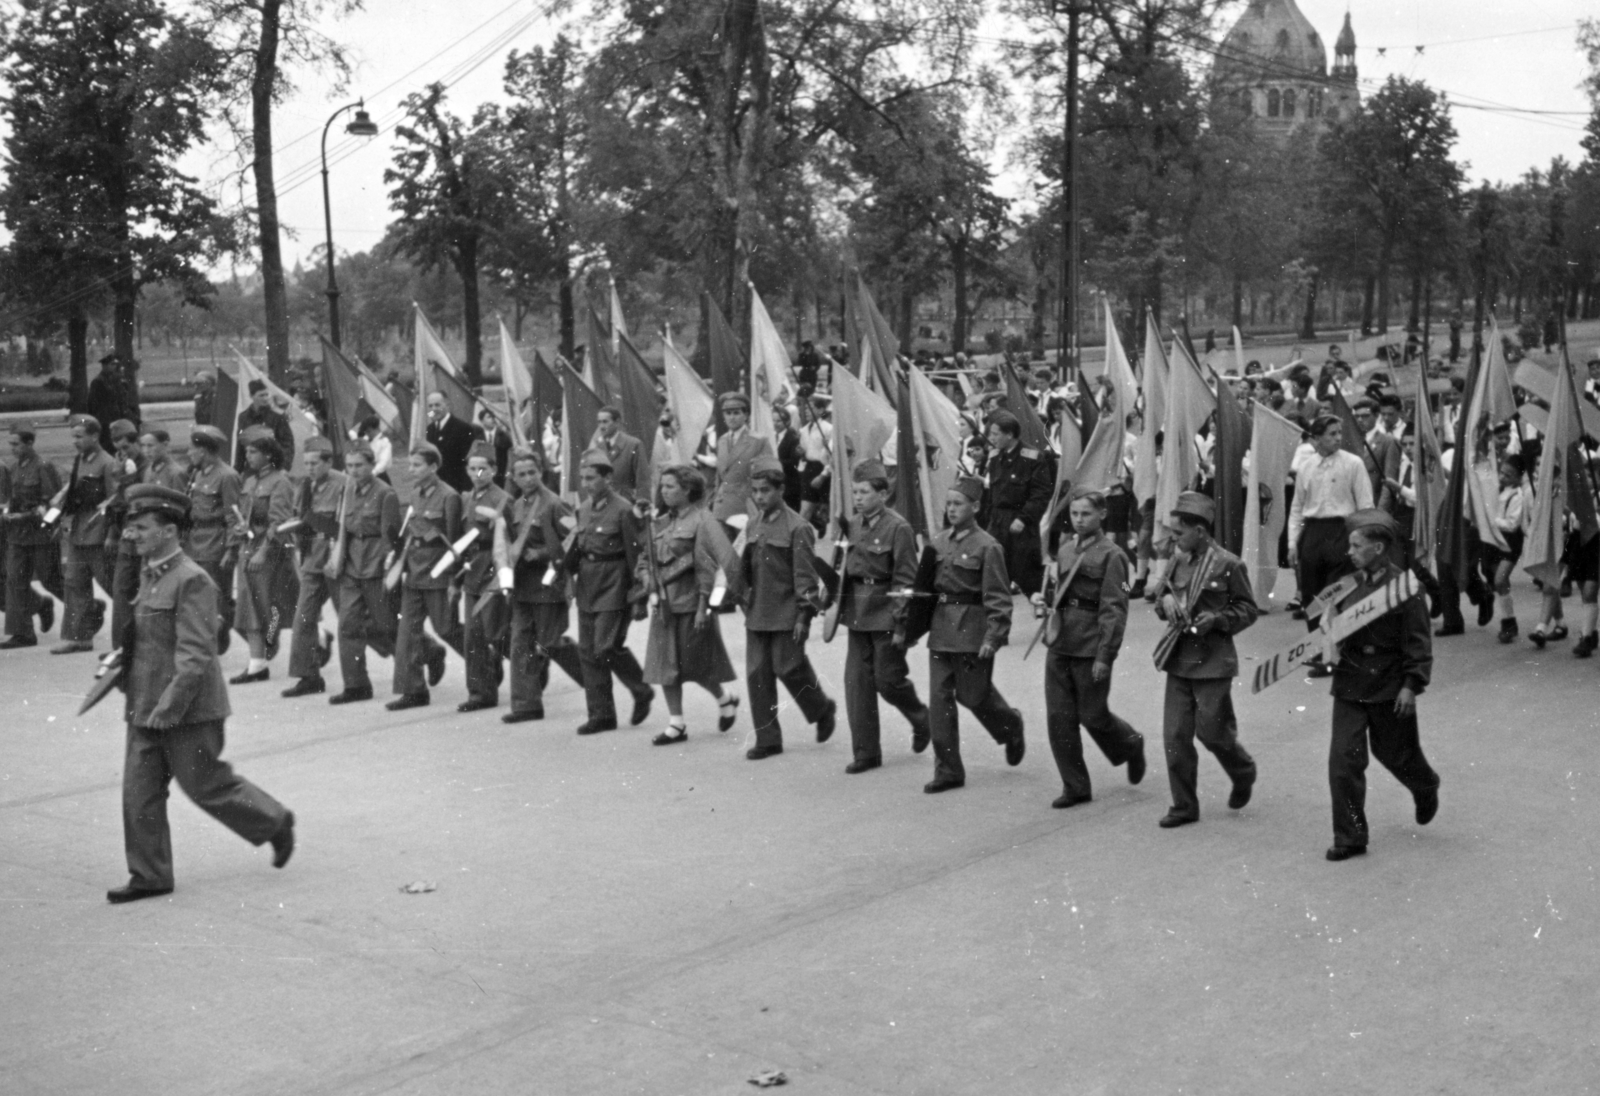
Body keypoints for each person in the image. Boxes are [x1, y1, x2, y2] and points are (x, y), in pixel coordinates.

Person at [108, 484, 295, 904]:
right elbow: (149, 638)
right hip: (144, 705)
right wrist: (119, 663)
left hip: (188, 710)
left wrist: (167, 709)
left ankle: (274, 822)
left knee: (206, 786)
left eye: (140, 527)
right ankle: (149, 875)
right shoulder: (152, 570)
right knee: (138, 793)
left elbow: (194, 657)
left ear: (169, 531)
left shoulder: (192, 580)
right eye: (130, 527)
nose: (130, 535)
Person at [1322, 509, 1439, 861]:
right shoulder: (1347, 584)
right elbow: (1330, 628)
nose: (1350, 552)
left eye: (1357, 546)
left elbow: (1418, 641)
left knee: (1395, 754)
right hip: (1351, 680)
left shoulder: (1405, 588)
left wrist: (1411, 684)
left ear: (1377, 548)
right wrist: (1325, 650)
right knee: (1343, 762)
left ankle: (1424, 784)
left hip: (1389, 681)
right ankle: (1350, 836)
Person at [1151, 491, 1259, 828]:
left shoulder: (1228, 564)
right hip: (1180, 658)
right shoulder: (1178, 560)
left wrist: (1218, 619)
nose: (1174, 538)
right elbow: (1162, 597)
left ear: (1200, 530)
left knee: (1213, 733)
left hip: (1213, 660)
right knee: (1175, 736)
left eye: (1179, 532)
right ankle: (1184, 805)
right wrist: (1165, 603)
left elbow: (1248, 610)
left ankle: (1243, 771)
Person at [1034, 486, 1146, 808]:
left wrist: (1105, 655)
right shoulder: (1066, 549)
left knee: (1093, 716)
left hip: (1090, 645)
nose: (1079, 520)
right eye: (1074, 514)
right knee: (1059, 718)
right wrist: (1045, 602)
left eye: (1086, 513)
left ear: (1102, 514)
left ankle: (1131, 744)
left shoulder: (1115, 556)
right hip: (1061, 642)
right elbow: (1061, 592)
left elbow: (1116, 607)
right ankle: (1075, 786)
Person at [923, 477, 1024, 793]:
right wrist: (907, 626)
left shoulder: (988, 546)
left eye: (958, 504)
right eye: (949, 503)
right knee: (939, 701)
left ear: (976, 507)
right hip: (940, 631)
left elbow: (998, 596)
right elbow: (924, 591)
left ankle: (1010, 726)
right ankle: (948, 770)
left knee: (973, 696)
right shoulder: (937, 543)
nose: (951, 509)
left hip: (971, 630)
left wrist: (994, 636)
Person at [739, 456, 837, 759]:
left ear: (781, 490)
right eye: (755, 491)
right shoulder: (753, 522)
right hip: (758, 611)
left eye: (765, 490)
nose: (759, 497)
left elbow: (805, 576)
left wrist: (804, 616)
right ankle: (767, 739)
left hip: (787, 611)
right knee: (758, 674)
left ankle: (821, 708)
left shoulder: (799, 527)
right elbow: (744, 567)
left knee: (789, 668)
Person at [636, 465, 741, 744]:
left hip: (690, 604)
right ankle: (677, 724)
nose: (664, 491)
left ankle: (724, 698)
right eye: (663, 486)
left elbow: (708, 566)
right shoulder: (660, 522)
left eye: (670, 486)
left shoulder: (702, 520)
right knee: (665, 666)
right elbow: (645, 560)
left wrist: (703, 606)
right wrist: (648, 580)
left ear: (687, 490)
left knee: (696, 666)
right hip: (664, 606)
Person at [837, 460, 929, 773]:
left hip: (886, 613)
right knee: (857, 684)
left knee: (888, 681)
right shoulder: (854, 524)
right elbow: (846, 570)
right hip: (857, 612)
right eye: (855, 492)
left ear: (883, 493)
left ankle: (921, 718)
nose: (858, 498)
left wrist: (904, 624)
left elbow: (906, 580)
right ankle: (866, 753)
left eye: (864, 492)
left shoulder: (898, 527)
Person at [569, 450, 653, 734]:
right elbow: (576, 549)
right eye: (582, 478)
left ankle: (641, 688)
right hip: (588, 584)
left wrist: (639, 598)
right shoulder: (582, 508)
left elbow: (635, 555)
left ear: (608, 478)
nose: (586, 483)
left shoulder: (623, 509)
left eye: (591, 478)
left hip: (615, 583)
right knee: (587, 652)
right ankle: (601, 714)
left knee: (605, 646)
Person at [501, 448, 584, 723]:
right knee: (520, 643)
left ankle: (594, 679)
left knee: (552, 642)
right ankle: (526, 706)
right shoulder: (516, 504)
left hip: (549, 583)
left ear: (541, 472)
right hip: (524, 585)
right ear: (513, 477)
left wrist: (543, 553)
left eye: (532, 472)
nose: (527, 478)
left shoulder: (555, 503)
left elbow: (575, 538)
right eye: (521, 474)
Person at [1289, 415, 1373, 675]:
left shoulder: (1353, 463)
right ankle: (1319, 655)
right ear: (1315, 439)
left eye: (1339, 432)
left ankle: (1341, 655)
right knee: (1313, 598)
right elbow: (1297, 508)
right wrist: (1293, 543)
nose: (1338, 438)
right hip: (1313, 534)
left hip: (1343, 532)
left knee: (1339, 594)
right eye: (1331, 434)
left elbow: (1366, 505)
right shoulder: (1306, 467)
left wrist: (1361, 542)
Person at [387, 442, 465, 711]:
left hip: (438, 572)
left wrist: (455, 581)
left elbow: (455, 541)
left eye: (417, 465)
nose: (411, 470)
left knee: (447, 629)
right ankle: (414, 691)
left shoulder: (449, 496)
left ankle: (485, 663)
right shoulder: (416, 493)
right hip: (414, 571)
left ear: (433, 467)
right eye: (410, 465)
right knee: (408, 632)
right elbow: (413, 532)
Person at [326, 443, 401, 705]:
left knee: (387, 626)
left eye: (359, 465)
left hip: (374, 567)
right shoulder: (346, 491)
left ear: (371, 465)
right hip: (350, 568)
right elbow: (340, 528)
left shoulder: (385, 494)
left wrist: (385, 569)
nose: (354, 471)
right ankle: (356, 685)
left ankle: (427, 653)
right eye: (349, 466)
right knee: (348, 626)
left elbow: (390, 538)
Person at [231, 432, 298, 683]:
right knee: (250, 607)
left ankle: (319, 638)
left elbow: (279, 521)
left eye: (253, 452)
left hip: (269, 551)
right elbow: (247, 514)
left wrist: (262, 551)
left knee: (273, 606)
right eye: (247, 452)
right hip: (248, 547)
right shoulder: (249, 481)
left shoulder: (280, 482)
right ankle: (257, 665)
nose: (247, 456)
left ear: (268, 455)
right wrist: (240, 529)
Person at [280, 437, 344, 698]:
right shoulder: (304, 485)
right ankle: (309, 676)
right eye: (306, 463)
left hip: (336, 562)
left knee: (363, 622)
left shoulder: (343, 485)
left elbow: (344, 525)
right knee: (303, 619)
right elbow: (300, 515)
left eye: (315, 463)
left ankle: (427, 651)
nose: (309, 468)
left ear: (329, 462)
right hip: (311, 561)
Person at [53, 415, 118, 654]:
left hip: (99, 535)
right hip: (79, 531)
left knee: (113, 586)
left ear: (94, 436)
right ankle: (78, 637)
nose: (75, 441)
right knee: (74, 583)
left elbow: (114, 502)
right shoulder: (81, 460)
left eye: (79, 436)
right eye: (73, 437)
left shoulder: (107, 463)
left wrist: (112, 534)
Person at [456, 441, 512, 712]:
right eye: (472, 468)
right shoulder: (467, 498)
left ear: (494, 470)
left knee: (494, 632)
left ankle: (535, 660)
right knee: (473, 636)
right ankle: (480, 692)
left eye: (483, 469)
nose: (476, 474)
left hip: (492, 569)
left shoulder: (503, 499)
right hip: (471, 571)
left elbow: (510, 540)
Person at [1, 423, 62, 648]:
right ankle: (23, 633)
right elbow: (10, 500)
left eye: (16, 444)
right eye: (10, 444)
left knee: (51, 579)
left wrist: (46, 524)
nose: (12, 448)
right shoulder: (14, 468)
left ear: (29, 443)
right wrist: (9, 514)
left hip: (40, 535)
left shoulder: (43, 467)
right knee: (14, 581)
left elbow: (54, 504)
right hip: (18, 535)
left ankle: (90, 610)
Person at [183, 426, 241, 655]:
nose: (189, 453)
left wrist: (231, 550)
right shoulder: (199, 473)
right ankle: (212, 641)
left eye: (192, 449)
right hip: (196, 542)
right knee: (200, 597)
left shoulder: (227, 476)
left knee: (218, 598)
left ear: (204, 451)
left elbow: (233, 516)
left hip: (215, 543)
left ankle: (222, 639)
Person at [983, 409, 1053, 596]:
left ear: (1010, 434)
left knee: (1027, 572)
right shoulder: (994, 457)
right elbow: (992, 493)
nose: (992, 438)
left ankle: (1043, 602)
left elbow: (1041, 494)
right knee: (994, 568)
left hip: (1020, 522)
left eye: (996, 434)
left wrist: (1024, 518)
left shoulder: (1032, 457)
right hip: (997, 521)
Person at [706, 392, 772, 535]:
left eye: (736, 413)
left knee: (745, 552)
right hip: (721, 506)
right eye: (728, 413)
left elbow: (768, 475)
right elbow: (720, 476)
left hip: (745, 505)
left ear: (746, 415)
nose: (732, 417)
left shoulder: (759, 441)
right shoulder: (722, 441)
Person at [105, 420, 146, 644]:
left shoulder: (146, 466)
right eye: (118, 449)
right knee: (120, 588)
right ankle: (120, 647)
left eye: (126, 447)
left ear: (136, 443)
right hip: (125, 535)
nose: (122, 453)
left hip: (145, 535)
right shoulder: (119, 465)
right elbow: (116, 502)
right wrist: (112, 533)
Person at [234, 379, 295, 472]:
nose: (265, 398)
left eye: (267, 395)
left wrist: (284, 467)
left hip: (271, 466)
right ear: (252, 396)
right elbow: (240, 445)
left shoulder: (277, 417)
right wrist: (238, 469)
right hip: (250, 467)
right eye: (261, 395)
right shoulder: (243, 417)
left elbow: (287, 444)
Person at [424, 391, 479, 492]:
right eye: (430, 406)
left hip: (458, 486)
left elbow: (468, 462)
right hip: (437, 487)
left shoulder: (463, 428)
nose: (433, 409)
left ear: (447, 404)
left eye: (437, 405)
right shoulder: (430, 429)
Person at [591, 405, 643, 499]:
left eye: (605, 422)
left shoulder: (633, 444)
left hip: (627, 501)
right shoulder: (598, 447)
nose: (601, 426)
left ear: (617, 422)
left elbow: (643, 481)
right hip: (604, 502)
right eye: (599, 422)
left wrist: (642, 507)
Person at [86, 355, 127, 453]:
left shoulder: (113, 380)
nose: (114, 367)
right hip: (104, 419)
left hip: (115, 417)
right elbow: (92, 402)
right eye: (111, 364)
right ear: (104, 366)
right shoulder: (98, 381)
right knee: (107, 445)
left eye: (115, 364)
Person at [772, 405, 805, 513]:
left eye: (779, 421)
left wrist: (775, 461)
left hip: (790, 484)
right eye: (774, 420)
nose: (775, 424)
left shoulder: (792, 438)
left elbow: (793, 463)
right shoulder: (773, 436)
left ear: (787, 422)